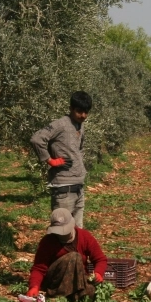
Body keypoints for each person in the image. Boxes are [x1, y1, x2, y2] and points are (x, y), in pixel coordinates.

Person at [30, 91, 92, 228]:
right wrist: (50, 160)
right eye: (79, 111)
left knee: (78, 232)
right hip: (63, 189)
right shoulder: (60, 125)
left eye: (86, 112)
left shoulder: (80, 126)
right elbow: (36, 139)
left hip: (78, 187)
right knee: (61, 231)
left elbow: (78, 149)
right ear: (71, 109)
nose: (83, 115)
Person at [27, 208, 107, 302]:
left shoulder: (84, 236)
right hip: (55, 282)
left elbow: (100, 259)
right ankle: (60, 295)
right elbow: (39, 268)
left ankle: (73, 295)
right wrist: (34, 286)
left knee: (93, 292)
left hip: (78, 280)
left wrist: (98, 273)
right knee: (74, 256)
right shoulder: (48, 241)